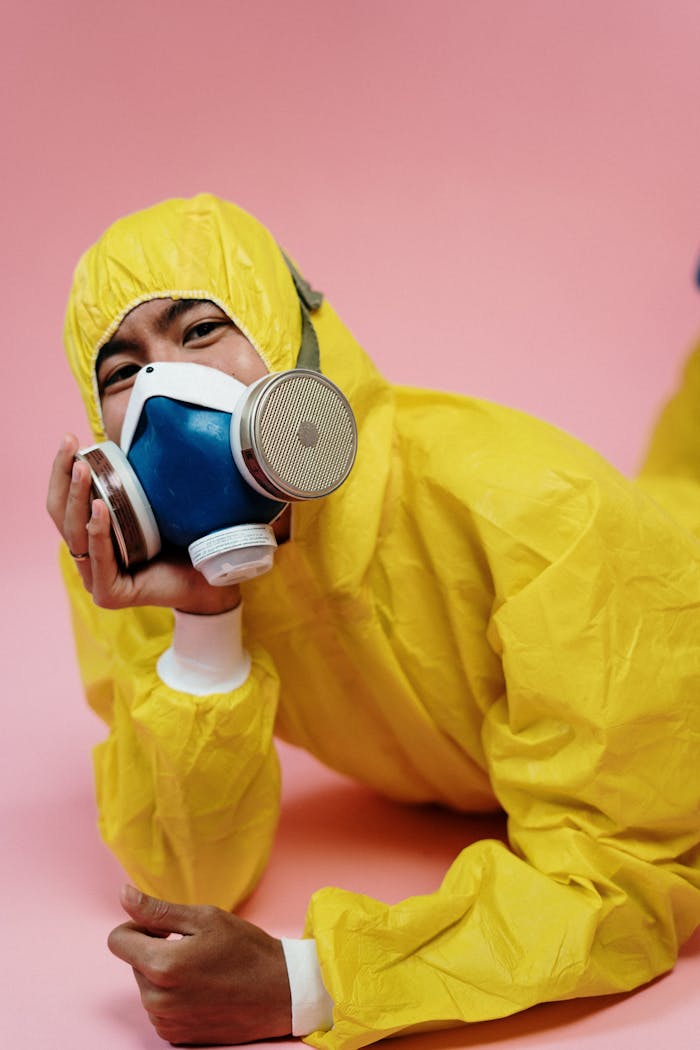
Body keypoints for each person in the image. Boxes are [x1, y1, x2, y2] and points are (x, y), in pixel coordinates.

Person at [47, 193, 700, 1049]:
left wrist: (315, 982)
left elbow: (631, 879)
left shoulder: (539, 515)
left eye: (201, 330)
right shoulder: (135, 565)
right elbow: (187, 873)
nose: (165, 393)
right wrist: (206, 622)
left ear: (301, 336)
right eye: (123, 370)